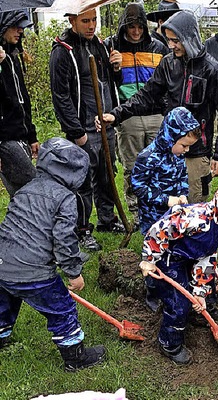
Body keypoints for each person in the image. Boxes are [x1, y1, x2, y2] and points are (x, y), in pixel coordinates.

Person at [98, 10, 218, 204]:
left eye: (176, 41)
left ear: (189, 38)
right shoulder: (168, 64)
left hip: (197, 153)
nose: (171, 45)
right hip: (169, 150)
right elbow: (147, 94)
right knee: (170, 206)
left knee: (194, 207)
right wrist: (116, 115)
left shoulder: (213, 70)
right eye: (169, 40)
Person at [0, 138, 106, 371]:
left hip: (2, 263)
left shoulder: (25, 189)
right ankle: (75, 357)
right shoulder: (65, 198)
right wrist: (73, 273)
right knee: (61, 309)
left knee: (4, 300)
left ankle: (1, 334)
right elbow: (64, 239)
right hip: (34, 271)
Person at [139, 180, 218, 364]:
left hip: (190, 257)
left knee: (202, 289)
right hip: (169, 259)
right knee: (179, 303)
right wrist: (149, 259)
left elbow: (207, 257)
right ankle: (169, 343)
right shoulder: (196, 219)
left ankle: (197, 305)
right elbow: (160, 230)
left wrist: (200, 292)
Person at [50, 8, 124, 252]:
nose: (91, 25)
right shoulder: (63, 52)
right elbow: (60, 97)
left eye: (94, 20)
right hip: (82, 129)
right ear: (72, 21)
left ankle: (107, 220)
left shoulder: (100, 46)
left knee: (107, 175)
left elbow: (111, 84)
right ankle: (81, 229)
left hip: (105, 125)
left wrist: (116, 69)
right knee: (82, 183)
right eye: (85, 21)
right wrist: (76, 132)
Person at [105, 2, 169, 229]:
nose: (135, 31)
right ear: (124, 26)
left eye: (140, 26)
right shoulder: (111, 47)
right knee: (132, 166)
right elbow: (106, 84)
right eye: (131, 26)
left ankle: (158, 207)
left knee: (157, 164)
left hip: (155, 115)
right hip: (127, 116)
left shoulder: (159, 48)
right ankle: (135, 211)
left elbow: (167, 82)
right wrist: (114, 69)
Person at [131, 107, 200, 235]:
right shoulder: (148, 157)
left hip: (175, 213)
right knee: (156, 248)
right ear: (170, 137)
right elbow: (138, 186)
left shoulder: (177, 155)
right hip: (153, 216)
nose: (187, 150)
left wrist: (183, 194)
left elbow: (183, 177)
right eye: (184, 145)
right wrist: (165, 200)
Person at [0, 10, 39, 197]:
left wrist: (32, 136)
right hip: (6, 140)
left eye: (22, 27)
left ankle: (22, 226)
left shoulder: (13, 56)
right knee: (34, 190)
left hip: (20, 135)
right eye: (15, 26)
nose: (20, 31)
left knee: (21, 196)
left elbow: (24, 99)